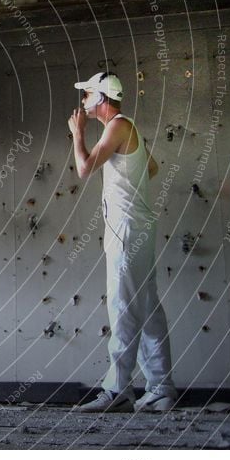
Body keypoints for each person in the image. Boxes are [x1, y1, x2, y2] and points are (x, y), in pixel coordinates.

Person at [68, 71, 177, 413]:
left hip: (127, 230)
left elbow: (84, 169)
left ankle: (117, 390)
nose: (83, 100)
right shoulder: (126, 129)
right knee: (147, 309)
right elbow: (153, 167)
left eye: (87, 95)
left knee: (123, 307)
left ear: (100, 98)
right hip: (136, 228)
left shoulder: (116, 125)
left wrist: (78, 134)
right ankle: (160, 389)